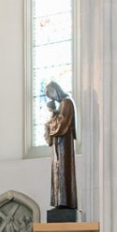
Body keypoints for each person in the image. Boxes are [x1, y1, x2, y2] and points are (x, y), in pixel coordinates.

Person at [44, 81, 77, 210]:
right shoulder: (63, 104)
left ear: (56, 90)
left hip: (64, 145)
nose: (51, 98)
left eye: (51, 94)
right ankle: (60, 202)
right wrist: (53, 113)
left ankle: (64, 202)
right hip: (59, 144)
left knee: (62, 171)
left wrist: (50, 122)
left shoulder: (66, 102)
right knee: (58, 171)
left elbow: (62, 125)